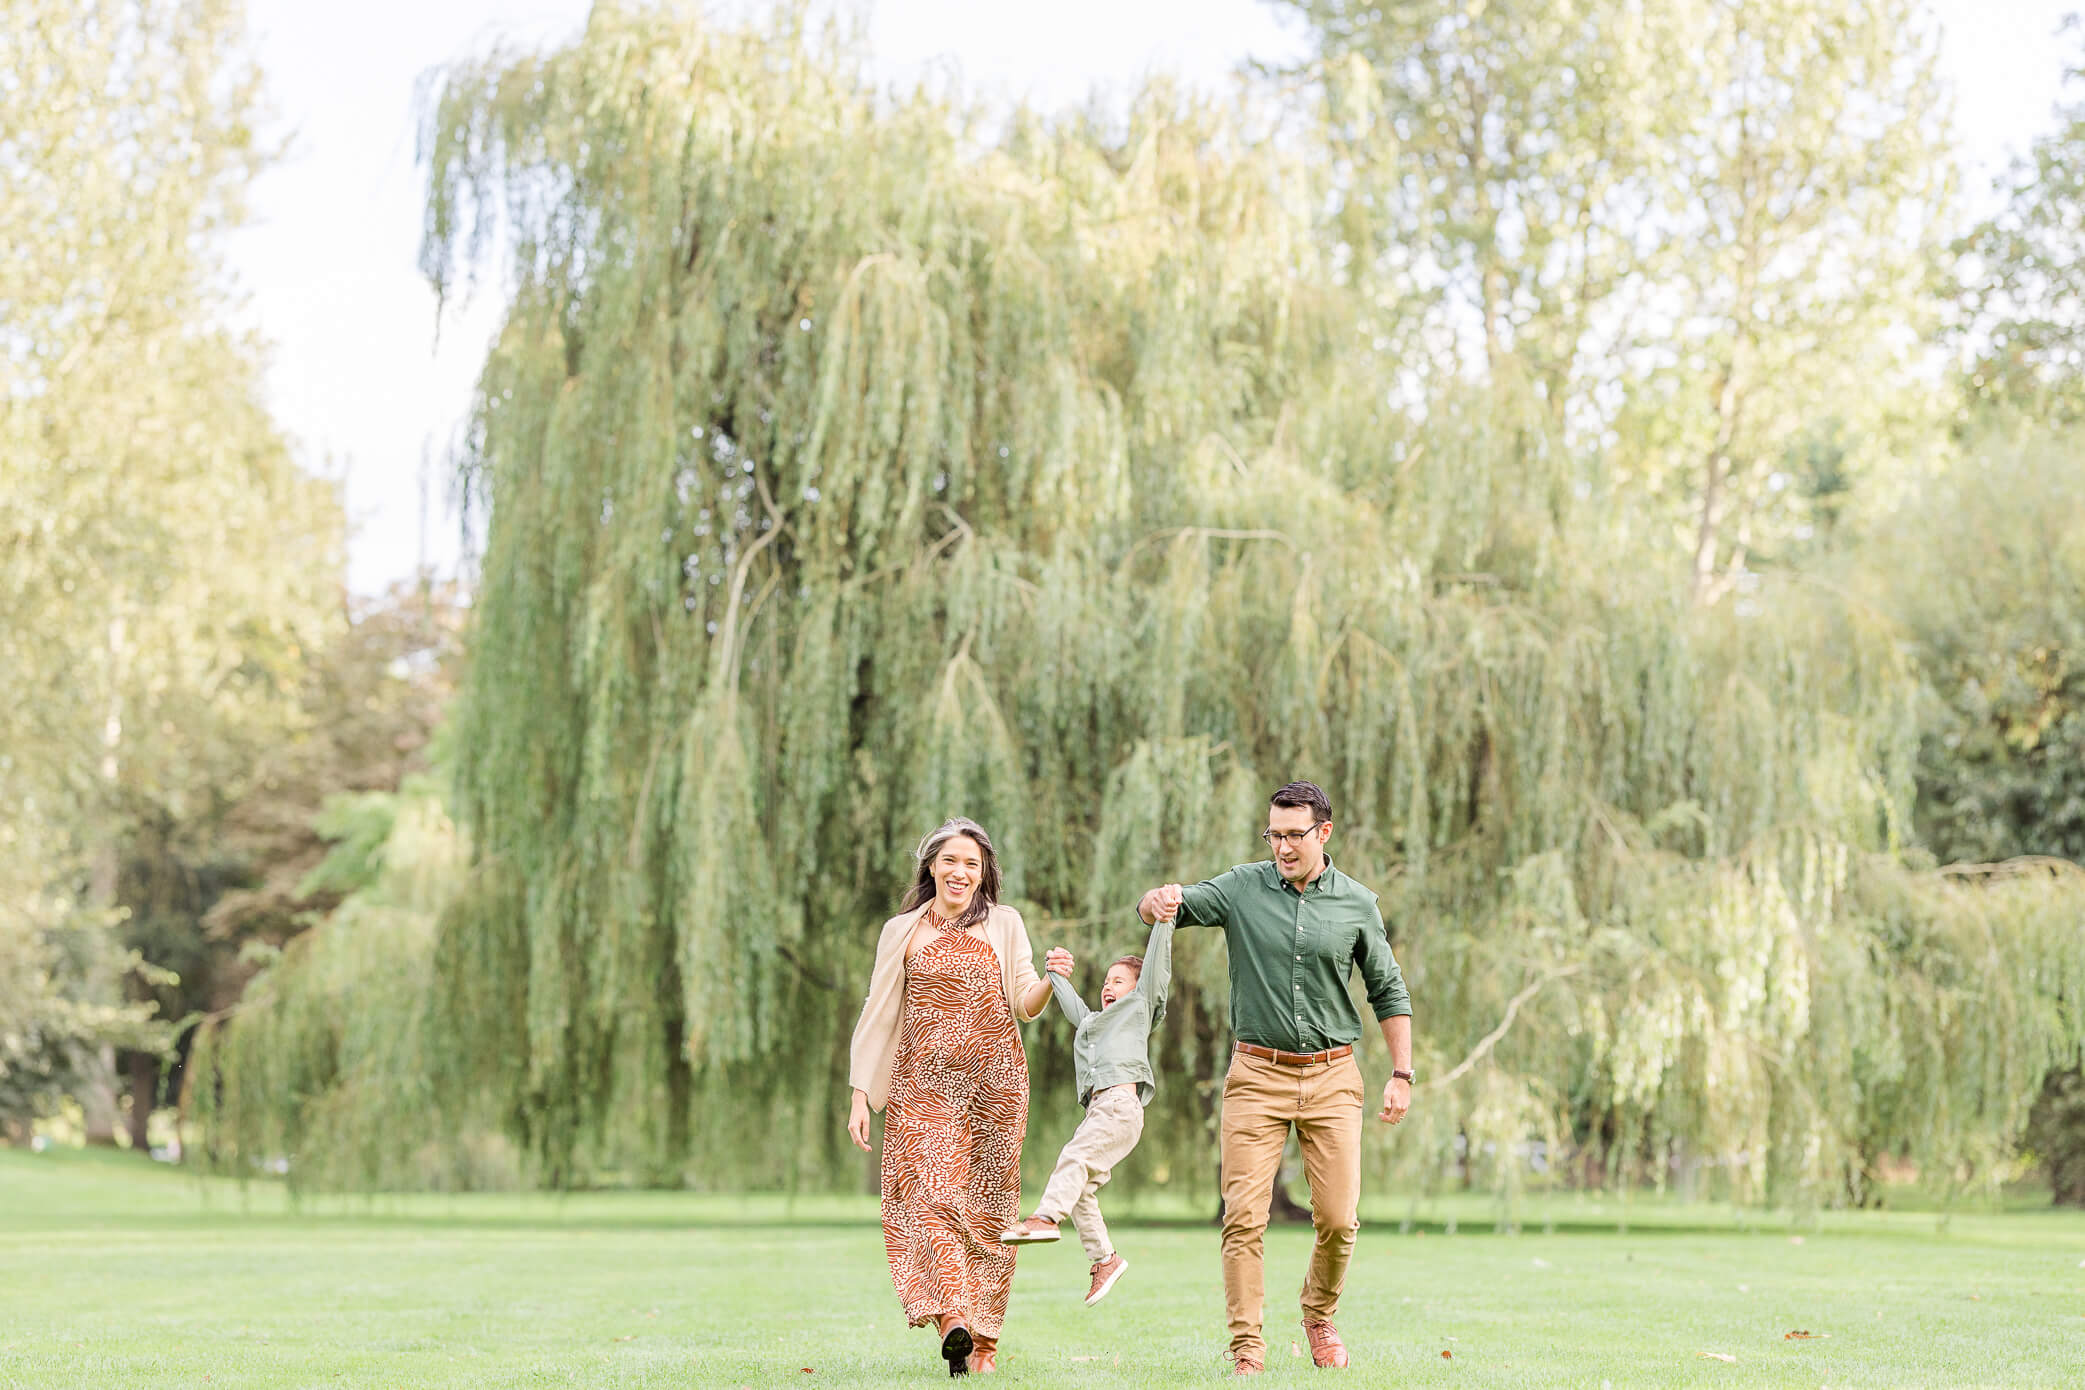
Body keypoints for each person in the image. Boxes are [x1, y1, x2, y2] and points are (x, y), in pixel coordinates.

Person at [1138, 780, 1413, 1376]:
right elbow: (1172, 906)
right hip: (1256, 1076)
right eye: (1274, 835)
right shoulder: (1242, 887)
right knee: (1243, 1217)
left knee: (1338, 1219)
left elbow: (1388, 990)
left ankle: (1319, 1314)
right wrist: (1156, 901)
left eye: (1295, 835)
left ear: (1324, 832)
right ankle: (1247, 1350)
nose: (1283, 847)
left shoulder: (1357, 903)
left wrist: (1401, 1073)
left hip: (1333, 1077)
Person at [847, 817, 1062, 1376]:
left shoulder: (1005, 923)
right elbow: (878, 1011)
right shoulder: (902, 930)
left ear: (984, 871)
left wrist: (1052, 980)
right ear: (931, 867)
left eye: (971, 863)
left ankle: (984, 1345)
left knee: (991, 1215)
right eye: (950, 860)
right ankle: (953, 1318)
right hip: (922, 1086)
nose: (960, 871)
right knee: (932, 1198)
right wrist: (860, 1094)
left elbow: (1025, 1002)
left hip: (996, 1086)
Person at [998, 914, 1176, 1307]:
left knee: (1074, 1157)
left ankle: (1045, 1219)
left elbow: (1156, 969)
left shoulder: (1140, 1007)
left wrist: (1164, 921)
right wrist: (1053, 971)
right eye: (1106, 981)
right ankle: (1105, 1259)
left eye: (1118, 981)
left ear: (1137, 988)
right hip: (1099, 1111)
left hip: (1119, 1105)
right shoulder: (1093, 1023)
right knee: (1080, 1189)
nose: (1108, 986)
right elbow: (1072, 1006)